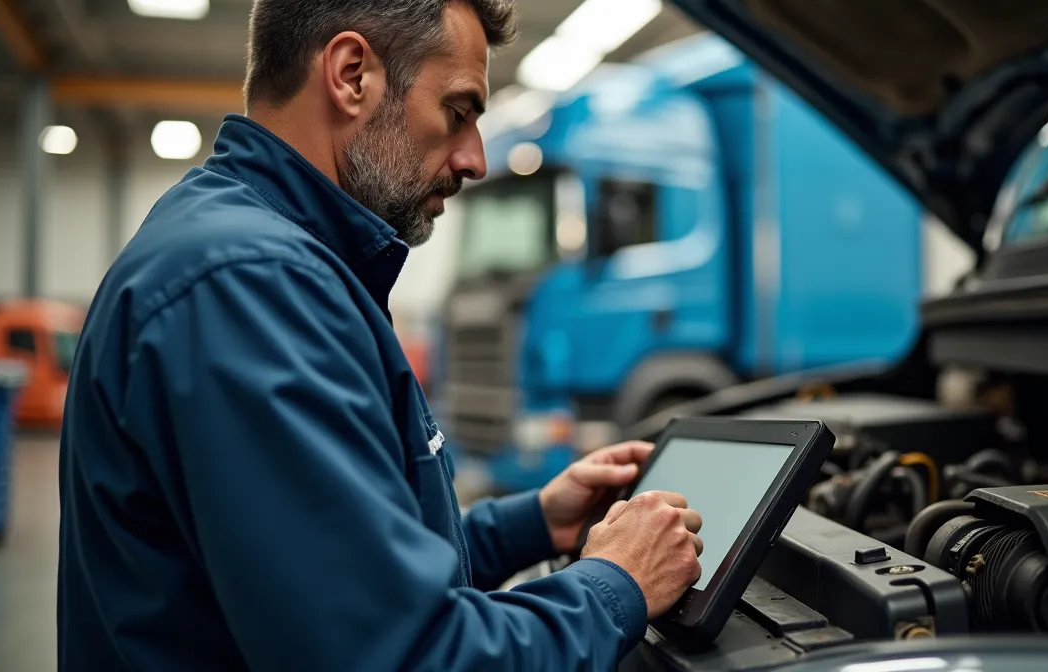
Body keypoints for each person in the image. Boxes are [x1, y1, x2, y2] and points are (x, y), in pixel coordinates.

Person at [56, 1, 704, 670]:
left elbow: (342, 573)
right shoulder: (254, 288)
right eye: (459, 112)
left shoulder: (248, 254)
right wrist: (616, 582)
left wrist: (532, 523)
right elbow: (400, 655)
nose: (475, 159)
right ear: (351, 74)